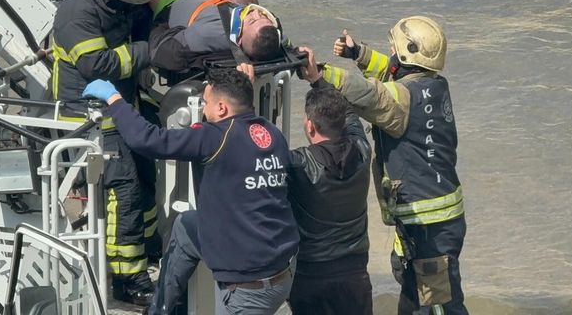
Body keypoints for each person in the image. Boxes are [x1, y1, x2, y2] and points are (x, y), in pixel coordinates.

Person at [82, 68, 299, 315]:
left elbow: (147, 140)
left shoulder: (213, 138)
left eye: (206, 103)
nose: (203, 109)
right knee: (186, 225)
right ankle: (160, 309)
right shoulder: (272, 134)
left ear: (221, 109)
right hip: (281, 265)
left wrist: (114, 99)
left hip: (247, 289)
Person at [51, 0, 189, 305]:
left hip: (123, 104)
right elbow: (99, 66)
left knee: (146, 175)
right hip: (87, 114)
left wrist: (185, 1)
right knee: (124, 189)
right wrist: (151, 48)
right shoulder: (76, 13)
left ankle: (148, 247)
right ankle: (128, 278)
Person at [321, 17, 467, 315]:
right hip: (428, 220)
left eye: (394, 46)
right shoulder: (434, 85)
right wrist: (358, 54)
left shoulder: (400, 100)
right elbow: (392, 74)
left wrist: (317, 73)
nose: (389, 49)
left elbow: (369, 93)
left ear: (406, 53)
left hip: (427, 225)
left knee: (438, 306)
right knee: (415, 292)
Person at [286, 46, 373, 315]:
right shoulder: (362, 149)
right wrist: (316, 80)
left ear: (310, 126)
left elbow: (255, 153)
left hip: (311, 276)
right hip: (355, 273)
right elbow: (347, 111)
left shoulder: (298, 165)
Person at [147, 0, 284, 75]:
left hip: (168, 4)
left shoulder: (210, 33)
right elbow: (281, 40)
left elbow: (158, 50)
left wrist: (159, 8)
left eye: (251, 21)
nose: (255, 12)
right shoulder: (268, 38)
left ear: (239, 39)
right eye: (263, 17)